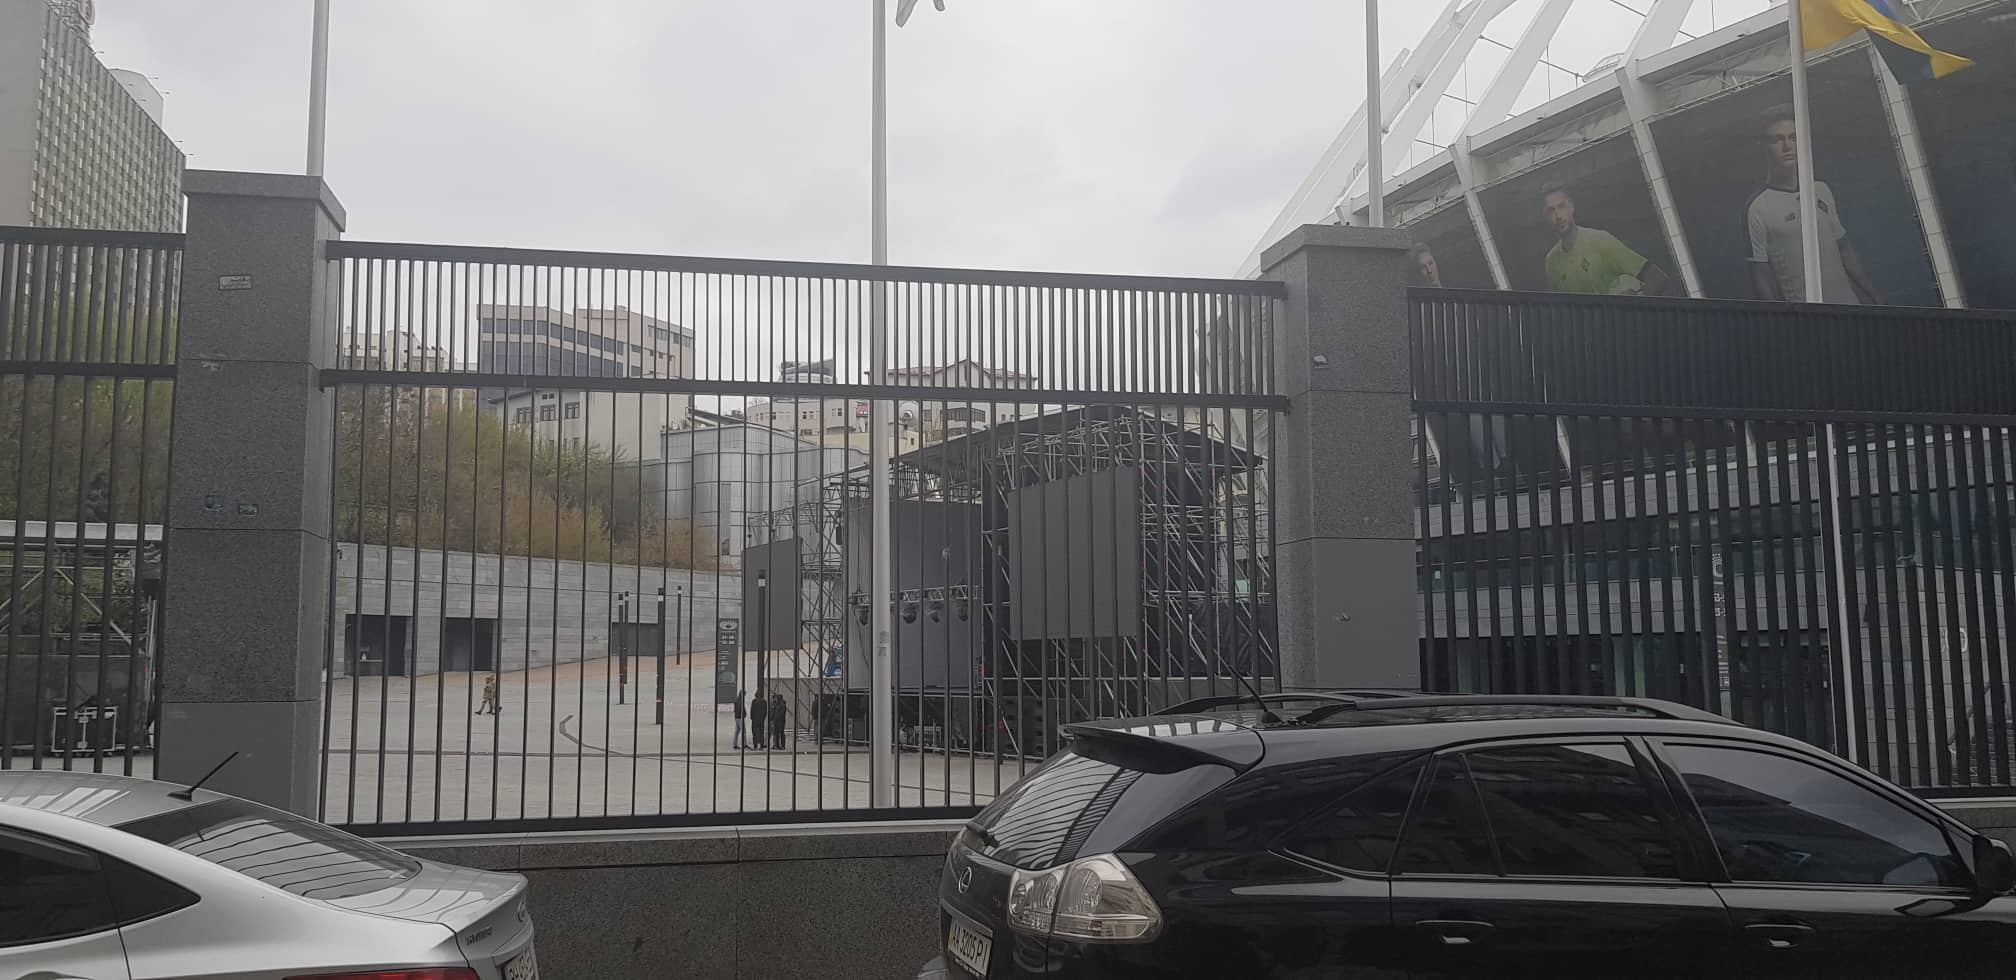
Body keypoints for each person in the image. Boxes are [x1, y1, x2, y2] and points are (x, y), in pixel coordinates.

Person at [1747, 106, 1882, 305]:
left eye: (1793, 137)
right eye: (1777, 140)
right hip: (1809, 318)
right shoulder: (1758, 208)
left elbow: (1845, 250)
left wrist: (1876, 298)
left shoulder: (1821, 190)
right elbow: (1761, 278)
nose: (1787, 146)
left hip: (1850, 308)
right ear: (1764, 147)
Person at [1540, 182, 1670, 296]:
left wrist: (1632, 309)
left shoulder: (1600, 240)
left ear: (1571, 207)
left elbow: (1656, 278)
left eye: (1562, 206)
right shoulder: (1551, 262)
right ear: (1545, 216)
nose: (1558, 216)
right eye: (1551, 210)